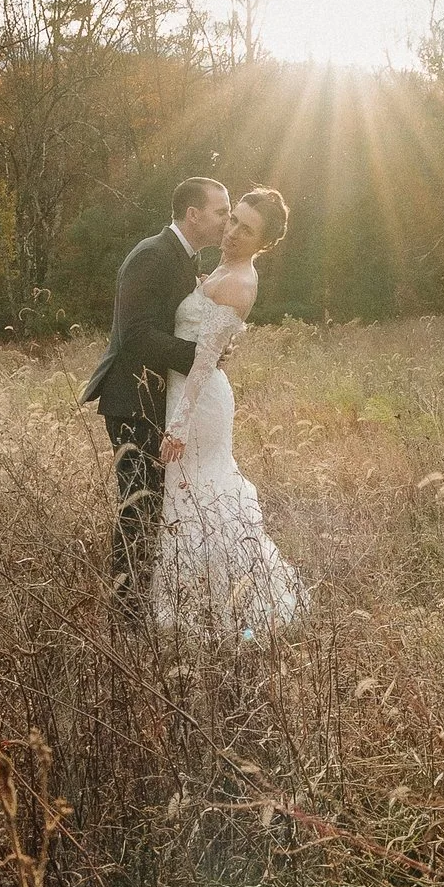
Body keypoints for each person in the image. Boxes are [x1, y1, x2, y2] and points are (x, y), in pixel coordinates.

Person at [151, 187, 309, 642]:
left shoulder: (241, 281)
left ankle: (216, 606)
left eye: (247, 229)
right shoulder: (222, 266)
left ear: (264, 242)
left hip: (199, 405)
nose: (234, 232)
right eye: (234, 219)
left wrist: (177, 426)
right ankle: (192, 601)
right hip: (184, 393)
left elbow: (203, 361)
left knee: (200, 496)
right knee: (186, 497)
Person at [83, 174, 230, 604]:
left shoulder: (182, 259)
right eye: (221, 212)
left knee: (154, 506)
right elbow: (137, 333)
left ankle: (146, 604)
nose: (226, 220)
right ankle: (125, 614)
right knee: (138, 508)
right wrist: (200, 354)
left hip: (156, 398)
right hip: (132, 399)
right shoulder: (152, 255)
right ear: (193, 214)